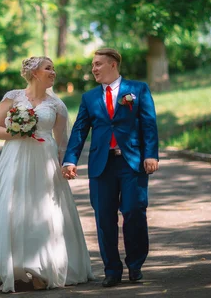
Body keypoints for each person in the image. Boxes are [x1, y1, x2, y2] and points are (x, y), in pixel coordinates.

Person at [0, 56, 94, 293]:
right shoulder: (13, 97)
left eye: (54, 69)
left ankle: (41, 269)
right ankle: (13, 266)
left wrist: (66, 166)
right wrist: (17, 131)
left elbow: (62, 142)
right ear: (34, 73)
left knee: (42, 210)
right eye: (48, 68)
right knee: (13, 207)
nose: (53, 72)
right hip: (15, 157)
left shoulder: (57, 105)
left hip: (44, 160)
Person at [62, 48, 159, 288]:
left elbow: (148, 124)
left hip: (132, 162)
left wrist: (151, 155)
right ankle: (112, 270)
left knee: (134, 211)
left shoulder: (138, 90)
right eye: (93, 64)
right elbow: (80, 130)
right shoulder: (89, 98)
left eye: (98, 64)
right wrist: (70, 159)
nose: (94, 68)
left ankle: (135, 266)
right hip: (101, 165)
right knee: (104, 218)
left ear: (113, 65)